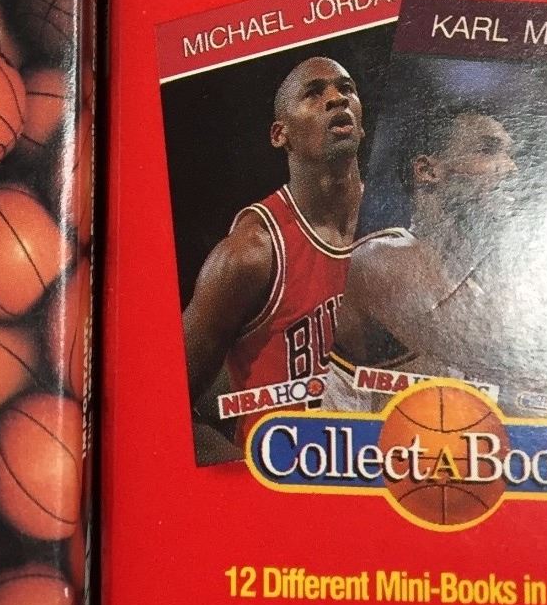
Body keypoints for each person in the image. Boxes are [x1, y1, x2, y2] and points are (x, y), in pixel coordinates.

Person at [181, 56, 367, 460]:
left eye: (346, 89)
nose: (337, 99)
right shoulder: (251, 252)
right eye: (314, 94)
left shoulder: (392, 224)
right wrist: (251, 479)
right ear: (281, 134)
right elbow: (163, 400)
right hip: (284, 480)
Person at [328, 104, 517, 401]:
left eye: (509, 154)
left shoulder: (469, 283)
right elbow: (506, 359)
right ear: (428, 171)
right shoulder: (383, 257)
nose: (511, 168)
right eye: (488, 150)